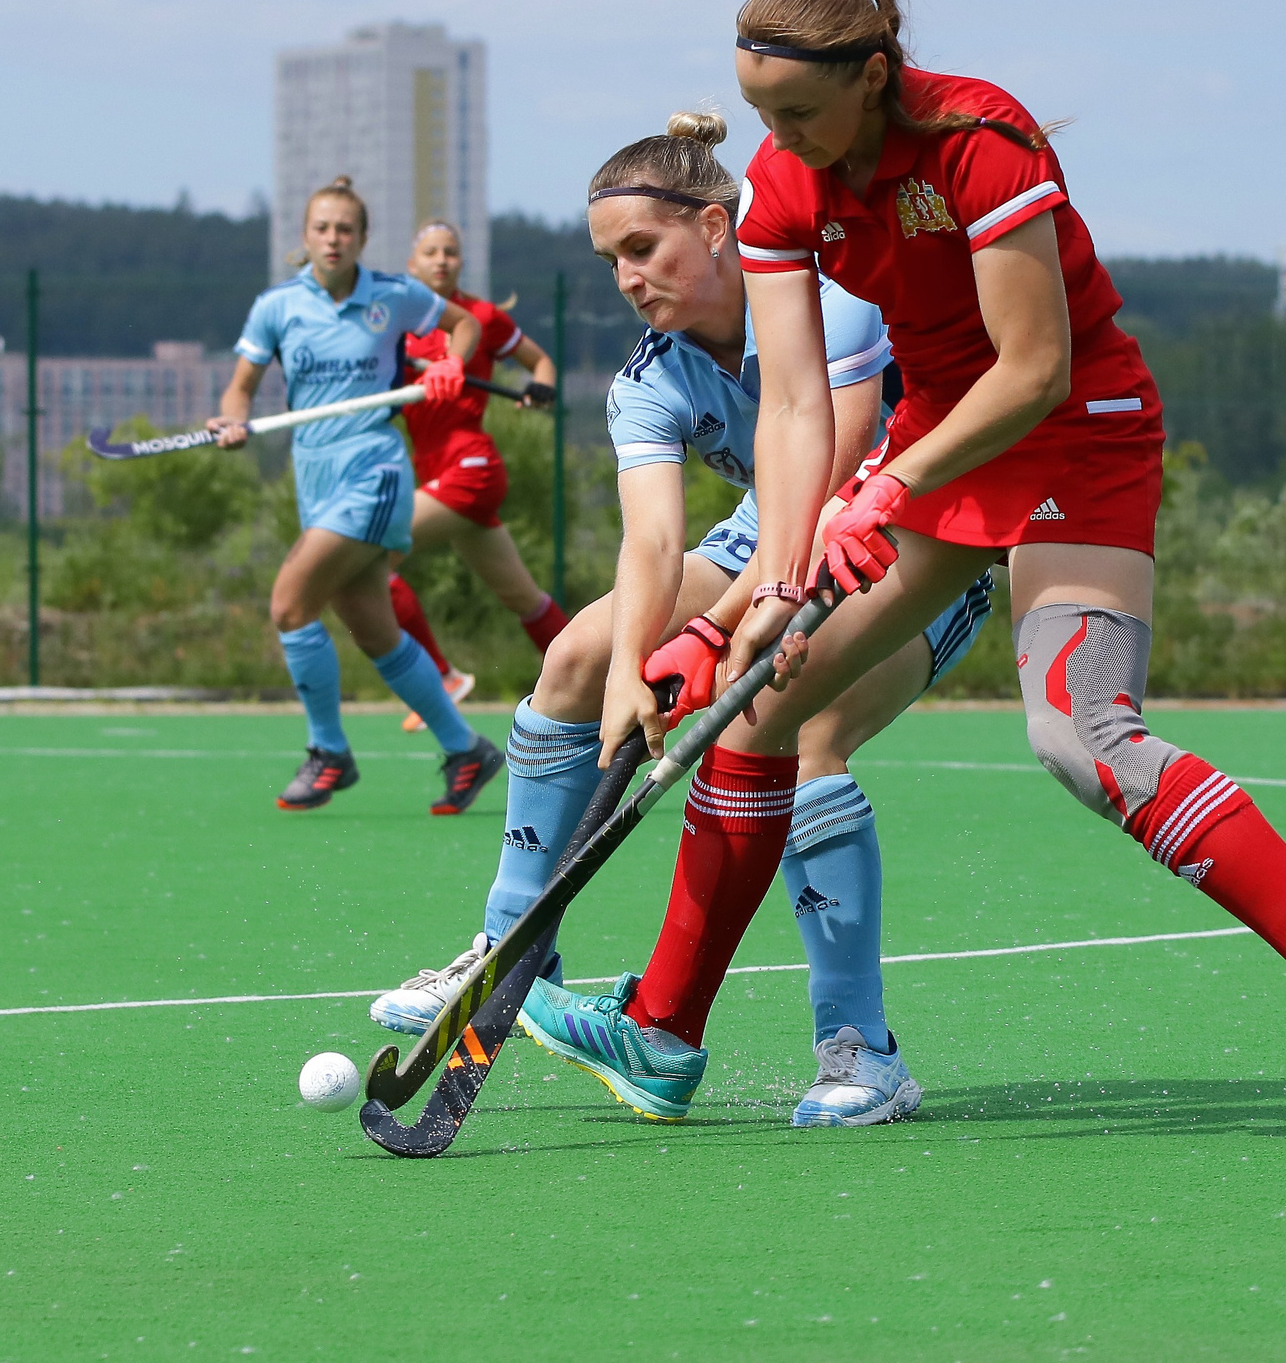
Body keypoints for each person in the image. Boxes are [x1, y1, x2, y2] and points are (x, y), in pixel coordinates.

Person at [517, 0, 1286, 1152]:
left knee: (1079, 731)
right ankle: (663, 1027)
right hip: (936, 449)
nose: (777, 143)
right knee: (757, 702)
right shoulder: (784, 191)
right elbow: (794, 410)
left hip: (1074, 435)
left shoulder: (979, 139)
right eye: (760, 116)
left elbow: (1033, 366)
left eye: (797, 115)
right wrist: (771, 586)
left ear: (871, 74)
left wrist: (889, 486)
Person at [371, 116, 994, 1129]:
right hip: (764, 536)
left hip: (903, 534)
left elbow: (835, 470)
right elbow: (654, 546)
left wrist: (725, 631)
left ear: (715, 226)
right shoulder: (649, 377)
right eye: (609, 257)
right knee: (575, 654)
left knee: (803, 725)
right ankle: (509, 945)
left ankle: (861, 1046)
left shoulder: (827, 306)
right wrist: (627, 669)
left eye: (641, 248)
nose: (625, 277)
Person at [212, 177, 505, 813]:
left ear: (363, 239)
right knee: (376, 632)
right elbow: (240, 387)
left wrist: (453, 363)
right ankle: (465, 749)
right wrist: (229, 419)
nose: (333, 239)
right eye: (322, 229)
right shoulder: (277, 307)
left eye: (345, 229)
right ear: (305, 237)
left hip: (374, 471)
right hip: (314, 477)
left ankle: (329, 752)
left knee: (291, 606)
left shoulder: (395, 297)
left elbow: (464, 327)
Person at [384, 220, 570, 736]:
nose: (441, 260)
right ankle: (597, 676)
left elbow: (540, 361)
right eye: (431, 252)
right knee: (524, 599)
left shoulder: (481, 317)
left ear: (461, 263)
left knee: (375, 559)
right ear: (412, 264)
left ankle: (441, 677)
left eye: (450, 253)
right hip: (434, 471)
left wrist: (542, 386)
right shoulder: (398, 329)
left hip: (469, 467)